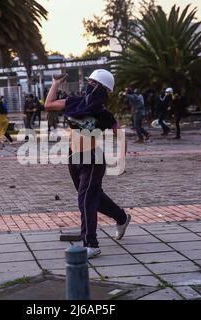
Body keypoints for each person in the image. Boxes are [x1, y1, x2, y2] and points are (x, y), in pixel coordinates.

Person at [44, 69, 131, 259]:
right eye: (89, 82)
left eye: (93, 83)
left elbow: (121, 136)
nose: (88, 85)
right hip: (73, 157)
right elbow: (49, 104)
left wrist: (121, 159)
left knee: (86, 199)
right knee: (92, 196)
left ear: (102, 90)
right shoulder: (75, 102)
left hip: (92, 159)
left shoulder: (103, 114)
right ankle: (122, 217)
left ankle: (91, 244)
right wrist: (56, 83)